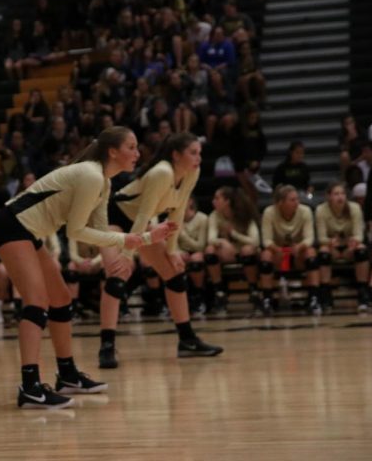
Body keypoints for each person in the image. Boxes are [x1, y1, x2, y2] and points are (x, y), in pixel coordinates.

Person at [0, 126, 175, 408]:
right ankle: (29, 386)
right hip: (12, 225)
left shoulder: (103, 181)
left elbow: (100, 229)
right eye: (131, 147)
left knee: (61, 299)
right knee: (36, 301)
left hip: (28, 231)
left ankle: (67, 376)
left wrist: (123, 255)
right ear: (112, 152)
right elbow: (77, 231)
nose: (138, 153)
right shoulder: (90, 175)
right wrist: (132, 239)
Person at [103, 132, 223, 368]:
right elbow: (144, 215)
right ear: (176, 155)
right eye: (193, 153)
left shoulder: (192, 172)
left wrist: (172, 250)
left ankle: (187, 340)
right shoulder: (162, 172)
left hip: (139, 223)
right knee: (118, 275)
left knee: (175, 274)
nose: (199, 158)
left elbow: (176, 212)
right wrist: (127, 255)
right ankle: (106, 346)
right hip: (114, 216)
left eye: (199, 153)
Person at [260, 185, 318, 314]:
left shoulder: (305, 211)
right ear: (280, 202)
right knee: (265, 255)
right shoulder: (269, 212)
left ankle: (313, 298)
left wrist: (299, 247)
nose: (297, 202)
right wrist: (278, 250)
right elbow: (266, 240)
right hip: (279, 255)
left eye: (297, 199)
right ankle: (267, 300)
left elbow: (309, 239)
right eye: (292, 200)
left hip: (298, 254)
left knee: (311, 252)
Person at [204, 186, 261, 314]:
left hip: (245, 252)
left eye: (217, 198)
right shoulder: (214, 215)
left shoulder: (245, 214)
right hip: (226, 252)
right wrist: (223, 241)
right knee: (210, 250)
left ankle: (254, 290)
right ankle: (219, 292)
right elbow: (211, 239)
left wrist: (234, 234)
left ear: (227, 201)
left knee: (248, 250)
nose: (213, 201)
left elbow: (255, 241)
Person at [315, 182, 366, 313]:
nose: (340, 197)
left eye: (342, 193)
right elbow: (321, 237)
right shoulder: (321, 210)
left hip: (350, 246)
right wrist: (330, 242)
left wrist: (353, 243)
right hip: (331, 246)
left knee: (362, 250)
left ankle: (363, 293)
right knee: (323, 252)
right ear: (329, 197)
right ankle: (326, 293)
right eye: (336, 194)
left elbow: (359, 234)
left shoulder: (354, 208)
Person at [178, 197, 209, 315]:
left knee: (196, 260)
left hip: (198, 252)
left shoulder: (202, 218)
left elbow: (200, 246)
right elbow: (172, 244)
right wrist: (179, 252)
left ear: (190, 201)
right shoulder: (173, 218)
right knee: (173, 259)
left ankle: (199, 296)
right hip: (182, 252)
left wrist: (183, 234)